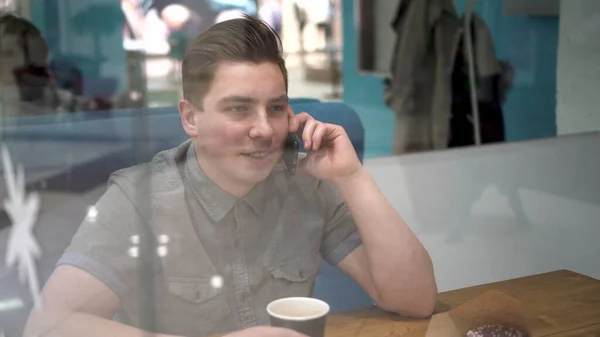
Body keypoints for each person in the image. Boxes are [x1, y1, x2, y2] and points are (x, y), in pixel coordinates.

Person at [23, 15, 437, 337]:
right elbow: (47, 326)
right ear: (191, 118)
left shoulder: (307, 184)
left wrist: (351, 176)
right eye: (239, 108)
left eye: (276, 108)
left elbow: (416, 300)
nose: (264, 129)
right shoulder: (138, 199)